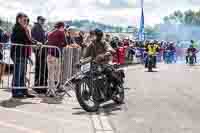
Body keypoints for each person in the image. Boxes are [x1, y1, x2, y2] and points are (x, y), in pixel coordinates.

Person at [11, 13, 35, 98]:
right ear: (19, 19)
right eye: (24, 20)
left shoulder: (23, 28)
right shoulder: (18, 28)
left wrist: (35, 42)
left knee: (22, 74)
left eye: (27, 20)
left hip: (23, 53)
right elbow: (26, 39)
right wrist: (35, 43)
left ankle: (23, 90)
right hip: (18, 53)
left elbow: (28, 39)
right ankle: (16, 92)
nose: (26, 22)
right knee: (18, 74)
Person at [47, 22, 67, 96]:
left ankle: (50, 90)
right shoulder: (61, 32)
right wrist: (60, 45)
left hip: (49, 54)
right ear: (62, 26)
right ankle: (54, 89)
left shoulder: (50, 33)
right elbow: (65, 43)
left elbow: (48, 42)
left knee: (50, 74)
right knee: (56, 74)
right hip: (57, 55)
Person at [31, 16, 48, 94]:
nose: (43, 21)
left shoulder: (40, 27)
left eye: (44, 20)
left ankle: (40, 86)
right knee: (40, 68)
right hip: (39, 50)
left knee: (41, 68)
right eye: (42, 20)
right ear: (38, 20)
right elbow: (35, 39)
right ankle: (38, 86)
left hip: (42, 50)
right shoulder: (36, 27)